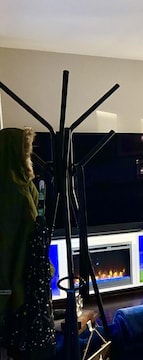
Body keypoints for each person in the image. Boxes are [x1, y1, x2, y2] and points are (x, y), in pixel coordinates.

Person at [0, 127, 55, 359]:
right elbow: (29, 237)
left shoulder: (23, 185)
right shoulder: (16, 191)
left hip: (21, 281)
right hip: (23, 282)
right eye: (26, 151)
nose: (29, 157)